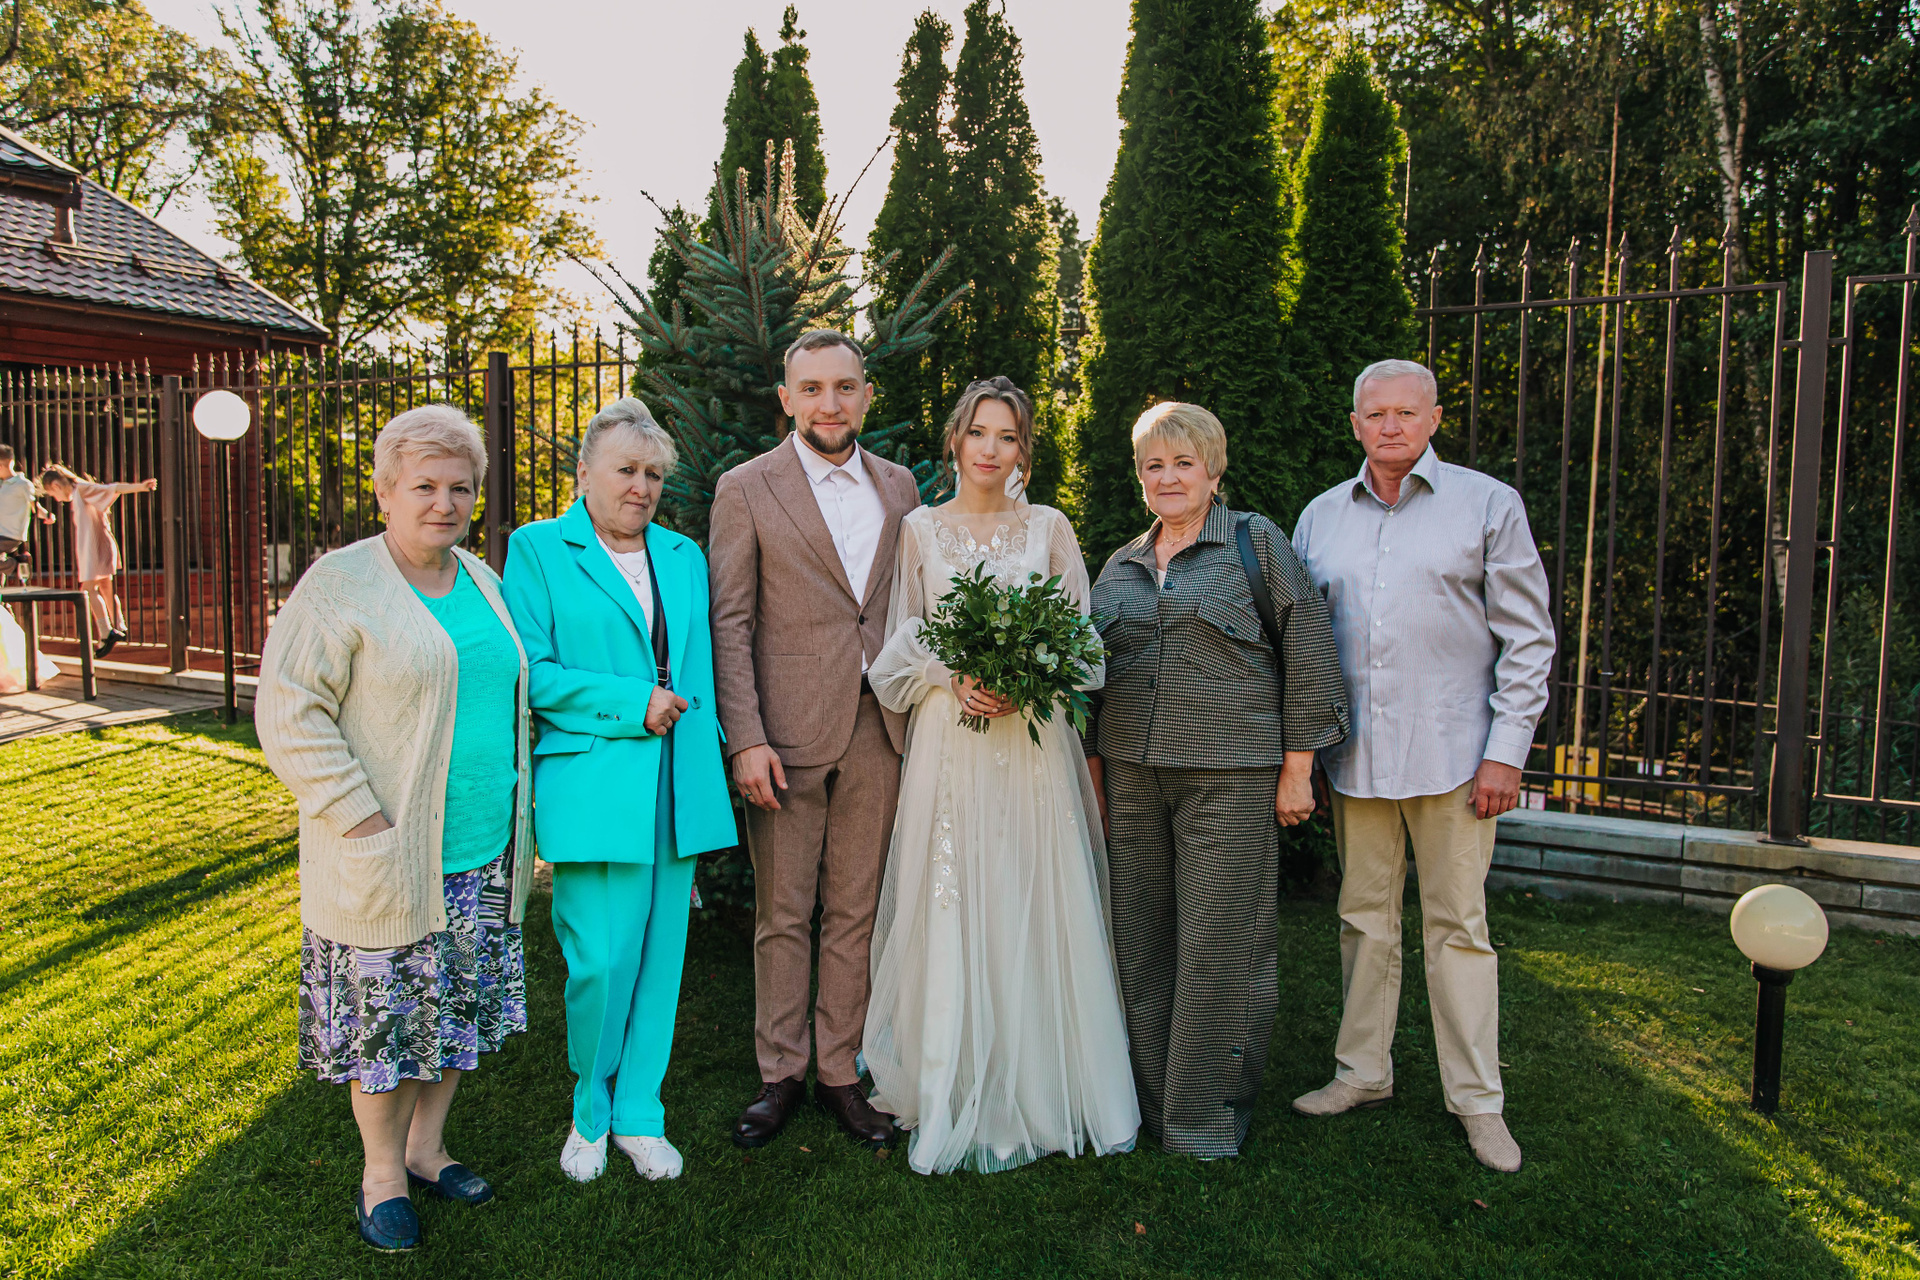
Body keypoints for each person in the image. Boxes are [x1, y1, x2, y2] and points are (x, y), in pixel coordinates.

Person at [255, 405, 534, 1252]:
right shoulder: (341, 583)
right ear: (384, 492)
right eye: (424, 487)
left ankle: (427, 1149)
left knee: (456, 1014)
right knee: (389, 1028)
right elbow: (289, 710)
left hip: (483, 852)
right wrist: (360, 817)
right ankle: (381, 1176)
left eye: (461, 488)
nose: (445, 504)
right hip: (390, 854)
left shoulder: (482, 579)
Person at [863, 377, 1141, 1174]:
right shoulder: (919, 530)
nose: (991, 449)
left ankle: (1044, 1083)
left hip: (1031, 742)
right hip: (951, 742)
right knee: (956, 893)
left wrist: (1032, 677)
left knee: (1032, 888)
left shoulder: (1049, 527)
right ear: (955, 440)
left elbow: (1085, 645)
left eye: (1008, 436)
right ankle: (956, 1079)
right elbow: (900, 645)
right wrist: (949, 675)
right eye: (979, 432)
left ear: (1024, 449)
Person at [1289, 358, 1554, 1174]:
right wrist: (1308, 750)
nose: (1391, 426)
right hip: (1358, 759)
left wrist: (1506, 753)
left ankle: (1478, 1102)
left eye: (1407, 412)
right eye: (1376, 414)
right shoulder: (1320, 518)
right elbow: (1304, 646)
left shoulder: (1487, 505)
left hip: (1456, 760)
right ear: (1356, 424)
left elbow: (1528, 638)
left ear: (1436, 419)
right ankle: (1362, 1072)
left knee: (1459, 931)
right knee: (1363, 920)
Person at [1086, 401, 1349, 1159]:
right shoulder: (1121, 565)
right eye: (1154, 465)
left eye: (1183, 463)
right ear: (1139, 476)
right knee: (1141, 941)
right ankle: (1151, 1105)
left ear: (1213, 468)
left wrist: (1298, 768)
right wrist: (1096, 783)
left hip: (1229, 775)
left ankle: (1204, 1121)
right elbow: (1090, 682)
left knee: (1219, 943)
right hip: (1134, 778)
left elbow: (1308, 647)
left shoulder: (1255, 543)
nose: (1168, 477)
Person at [503, 398, 738, 1183]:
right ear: (584, 474)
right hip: (595, 782)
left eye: (654, 474)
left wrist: (712, 756)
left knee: (660, 962)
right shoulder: (538, 549)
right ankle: (590, 1110)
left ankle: (640, 1111)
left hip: (678, 784)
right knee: (601, 963)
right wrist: (631, 704)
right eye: (626, 471)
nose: (642, 487)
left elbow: (702, 667)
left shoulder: (682, 554)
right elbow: (533, 673)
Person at [708, 329, 921, 1150]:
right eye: (812, 388)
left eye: (844, 387)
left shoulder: (900, 486)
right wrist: (745, 738)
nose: (829, 403)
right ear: (787, 399)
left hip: (881, 724)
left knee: (857, 909)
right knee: (784, 912)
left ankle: (839, 1071)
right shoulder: (745, 487)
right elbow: (731, 622)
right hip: (785, 737)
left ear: (866, 395)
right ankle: (780, 1073)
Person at [37, 462, 155, 656]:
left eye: (52, 494)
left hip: (93, 548)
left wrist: (141, 487)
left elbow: (113, 488)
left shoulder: (81, 489)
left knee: (88, 589)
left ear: (56, 486)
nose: (56, 499)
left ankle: (106, 632)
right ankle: (119, 625)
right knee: (106, 586)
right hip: (100, 545)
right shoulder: (79, 492)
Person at [0, 445, 53, 585]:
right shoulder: (2, 484)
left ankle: (16, 564)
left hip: (10, 534)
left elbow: (34, 506)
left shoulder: (22, 484)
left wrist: (47, 515)